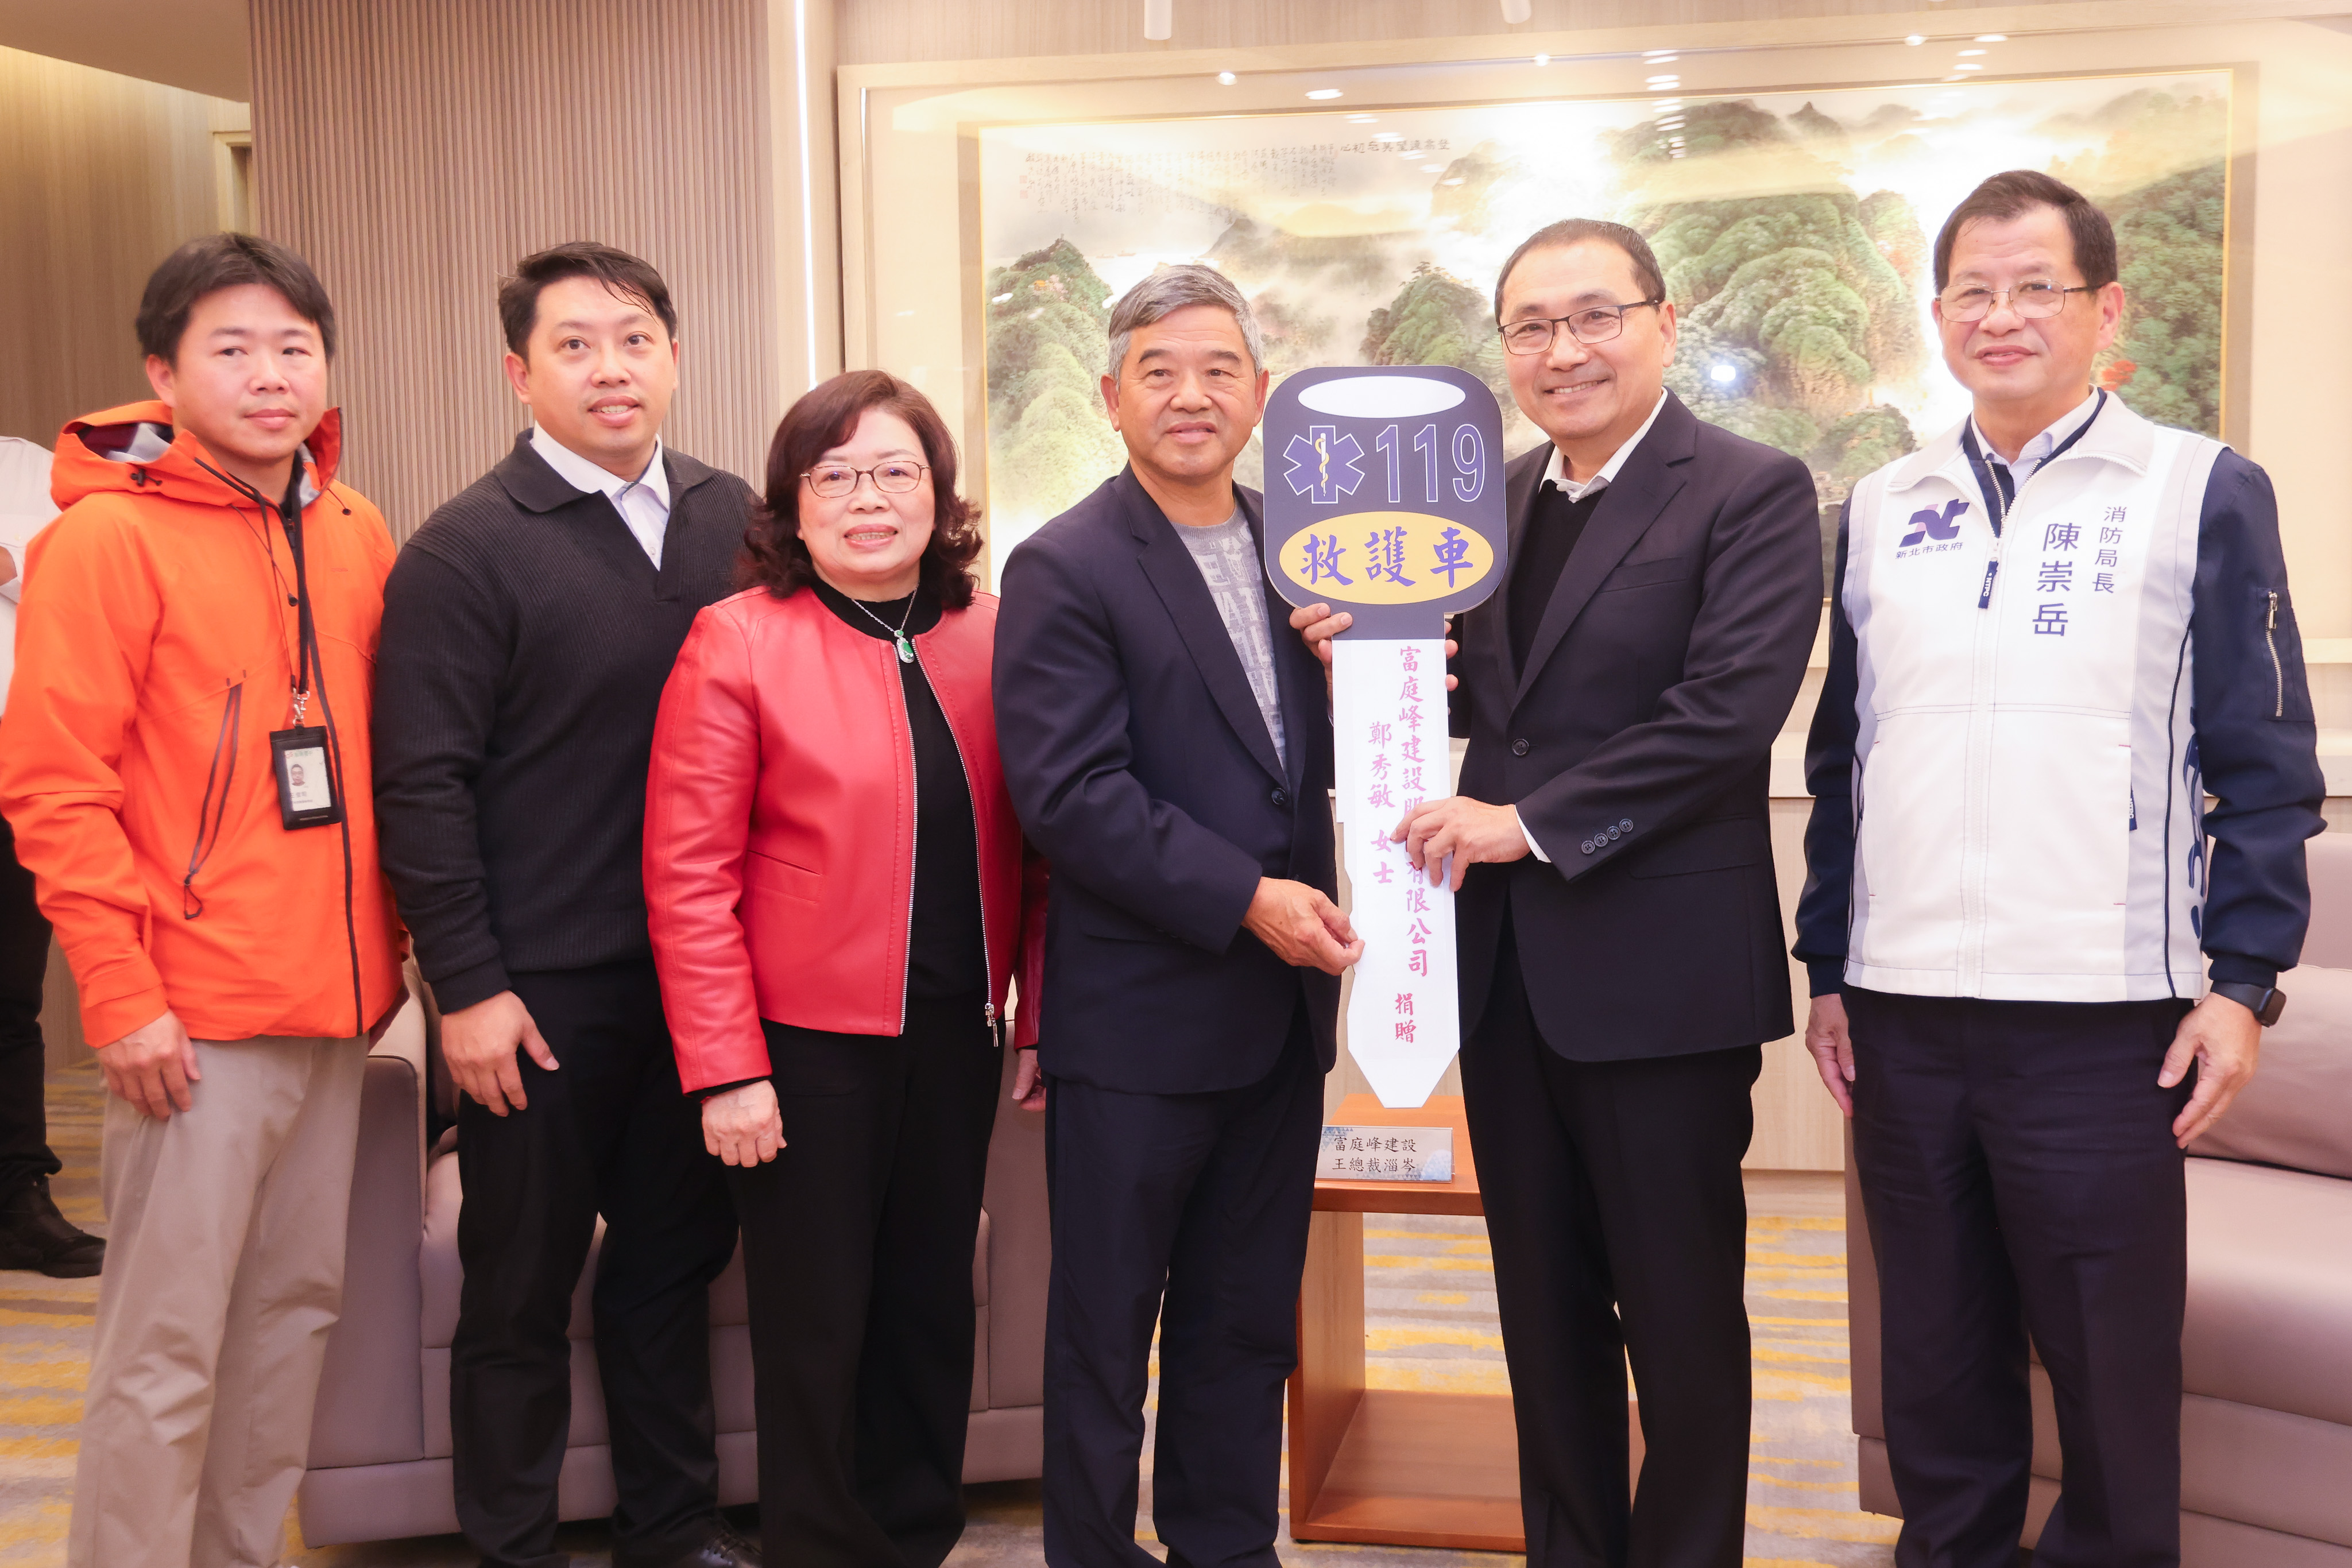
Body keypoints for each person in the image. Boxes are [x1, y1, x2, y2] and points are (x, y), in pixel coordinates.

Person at [1794, 170, 2324, 1566]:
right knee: (1933, 1346)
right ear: (1935, 316)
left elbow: (2265, 760)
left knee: (2104, 1353)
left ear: (2105, 309)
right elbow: (1846, 753)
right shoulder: (1882, 503)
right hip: (1902, 1006)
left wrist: (2243, 983)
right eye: (1970, 290)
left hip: (2100, 1014)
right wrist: (1828, 967)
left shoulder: (2197, 488)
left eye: (2035, 287)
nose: (2000, 315)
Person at [1302, 218, 1823, 1563]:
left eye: (1593, 316)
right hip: (1506, 972)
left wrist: (1526, 823)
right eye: (1530, 327)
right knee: (1540, 1311)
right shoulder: (1490, 498)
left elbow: (1727, 713)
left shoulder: (1750, 488)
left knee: (1679, 1316)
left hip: (1661, 978)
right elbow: (1482, 697)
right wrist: (1362, 656)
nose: (1562, 350)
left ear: (1662, 320)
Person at [0, 234, 406, 1568]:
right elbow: (55, 786)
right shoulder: (103, 540)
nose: (270, 374)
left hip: (337, 1008)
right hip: (189, 1021)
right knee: (164, 1346)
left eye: (294, 347)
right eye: (231, 349)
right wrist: (120, 994)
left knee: (289, 1324)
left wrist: (399, 960)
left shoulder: (352, 529)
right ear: (163, 375)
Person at [372, 243, 758, 1568]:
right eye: (575, 344)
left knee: (671, 1263)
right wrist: (468, 988)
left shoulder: (732, 516)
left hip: (699, 980)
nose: (610, 368)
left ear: (674, 357)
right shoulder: (462, 550)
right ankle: (514, 1545)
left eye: (635, 339)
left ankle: (673, 1528)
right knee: (519, 1286)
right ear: (518, 372)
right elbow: (420, 786)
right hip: (536, 994)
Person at [644, 369, 1049, 1568]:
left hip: (956, 1034)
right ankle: (820, 1550)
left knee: (928, 1307)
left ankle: (914, 1538)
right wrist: (727, 1069)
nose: (867, 500)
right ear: (793, 502)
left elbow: (1045, 855)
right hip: (801, 1051)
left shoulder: (994, 636)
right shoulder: (738, 639)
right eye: (835, 476)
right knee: (815, 1326)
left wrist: (1037, 1015)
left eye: (894, 472)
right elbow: (687, 876)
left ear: (938, 493)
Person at [993, 264, 1354, 1568]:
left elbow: (1305, 764)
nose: (1190, 395)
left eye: (1218, 369)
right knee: (1107, 1329)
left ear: (1260, 393)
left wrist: (1357, 676)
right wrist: (1246, 900)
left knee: (1244, 1322)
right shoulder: (1066, 563)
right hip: (1140, 1025)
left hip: (1278, 1019)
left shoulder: (1310, 554)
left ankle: (1224, 1547)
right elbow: (1070, 795)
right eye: (1158, 371)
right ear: (1111, 397)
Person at [0, 436, 105, 1277]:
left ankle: (16, 1203)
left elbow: (73, 584)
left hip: (11, 759)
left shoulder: (31, 471)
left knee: (8, 994)